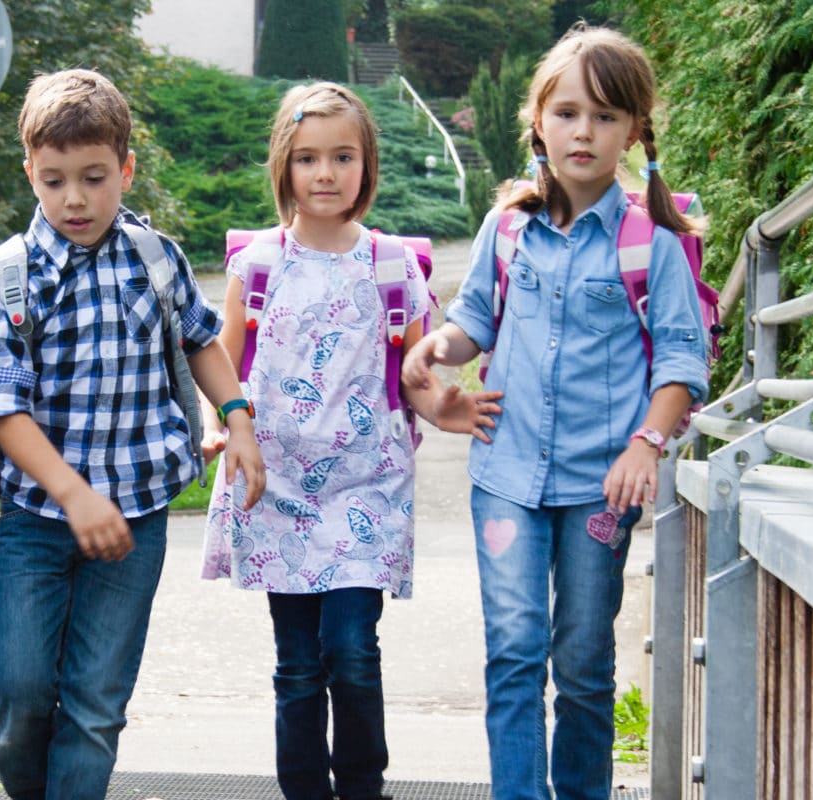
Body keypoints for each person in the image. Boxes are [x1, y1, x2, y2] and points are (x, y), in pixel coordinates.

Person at [403, 26, 708, 800]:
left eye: (607, 117)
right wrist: (438, 349)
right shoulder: (508, 228)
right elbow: (475, 318)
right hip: (506, 473)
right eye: (568, 112)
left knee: (580, 661)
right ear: (537, 118)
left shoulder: (651, 245)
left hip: (601, 489)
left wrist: (646, 443)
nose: (585, 131)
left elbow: (681, 359)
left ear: (634, 132)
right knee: (513, 649)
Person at [0, 68, 265, 799]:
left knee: (96, 705)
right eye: (55, 179)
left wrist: (239, 419)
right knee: (22, 690)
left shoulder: (155, 258)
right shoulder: (8, 276)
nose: (75, 199)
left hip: (136, 512)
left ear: (125, 170)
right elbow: (2, 410)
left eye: (95, 178)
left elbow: (201, 342)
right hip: (38, 518)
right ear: (29, 172)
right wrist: (73, 497)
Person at [200, 82, 503, 800]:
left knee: (352, 652)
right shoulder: (256, 267)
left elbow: (414, 368)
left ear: (367, 166)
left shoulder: (394, 265)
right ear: (285, 167)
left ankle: (364, 788)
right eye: (308, 159)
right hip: (274, 488)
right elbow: (220, 362)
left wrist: (445, 408)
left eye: (343, 157)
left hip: (367, 487)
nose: (326, 173)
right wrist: (219, 426)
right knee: (298, 663)